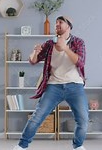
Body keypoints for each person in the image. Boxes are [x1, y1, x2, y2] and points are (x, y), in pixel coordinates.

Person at [13, 16, 88, 150]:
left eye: (60, 22)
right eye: (56, 22)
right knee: (37, 117)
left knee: (82, 120)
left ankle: (78, 146)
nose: (57, 24)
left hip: (75, 85)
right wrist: (35, 52)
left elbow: (80, 62)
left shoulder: (78, 42)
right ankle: (22, 146)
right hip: (54, 86)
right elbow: (33, 61)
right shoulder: (49, 44)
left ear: (68, 26)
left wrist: (65, 47)